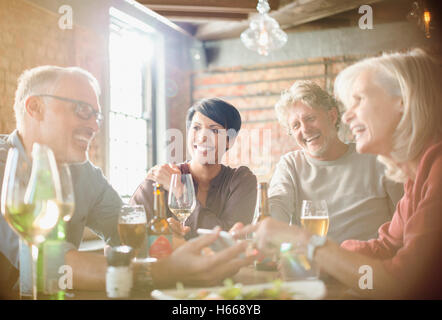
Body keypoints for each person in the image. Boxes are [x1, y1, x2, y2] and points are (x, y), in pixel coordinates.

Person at [0, 66, 254, 299]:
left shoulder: (85, 175)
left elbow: (130, 233)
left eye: (97, 115)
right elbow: (45, 264)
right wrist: (161, 271)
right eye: (83, 110)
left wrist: (200, 257)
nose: (95, 125)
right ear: (35, 107)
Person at [235, 49, 442, 299]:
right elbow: (387, 246)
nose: (348, 115)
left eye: (359, 100)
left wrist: (308, 245)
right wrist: (327, 261)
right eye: (295, 125)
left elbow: (405, 283)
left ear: (402, 101)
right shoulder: (417, 176)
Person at [269, 80, 403, 243]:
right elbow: (277, 205)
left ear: (332, 116)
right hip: (312, 264)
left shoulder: (376, 158)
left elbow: (408, 219)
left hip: (368, 264)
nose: (304, 129)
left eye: (310, 118)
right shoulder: (290, 165)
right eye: (296, 125)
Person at [130, 98, 258, 239]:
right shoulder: (161, 178)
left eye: (214, 130)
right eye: (196, 128)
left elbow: (230, 239)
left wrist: (180, 192)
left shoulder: (241, 181)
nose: (202, 137)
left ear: (230, 141)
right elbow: (126, 238)